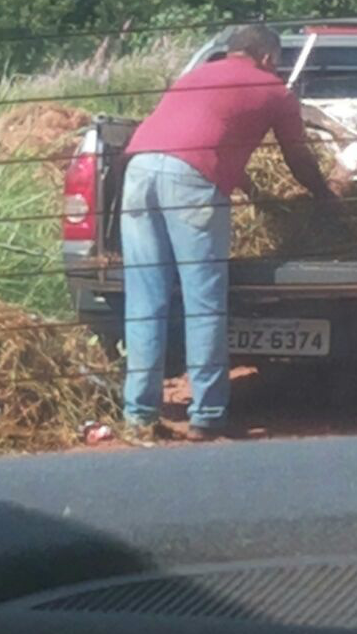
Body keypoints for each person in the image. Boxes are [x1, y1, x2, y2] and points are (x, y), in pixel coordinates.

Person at [119, 24, 336, 442]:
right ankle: (207, 414)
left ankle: (140, 414)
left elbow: (196, 133)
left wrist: (247, 186)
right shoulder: (274, 89)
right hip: (190, 181)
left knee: (146, 298)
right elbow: (298, 157)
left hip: (139, 168)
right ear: (268, 58)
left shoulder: (194, 75)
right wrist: (325, 196)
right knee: (203, 300)